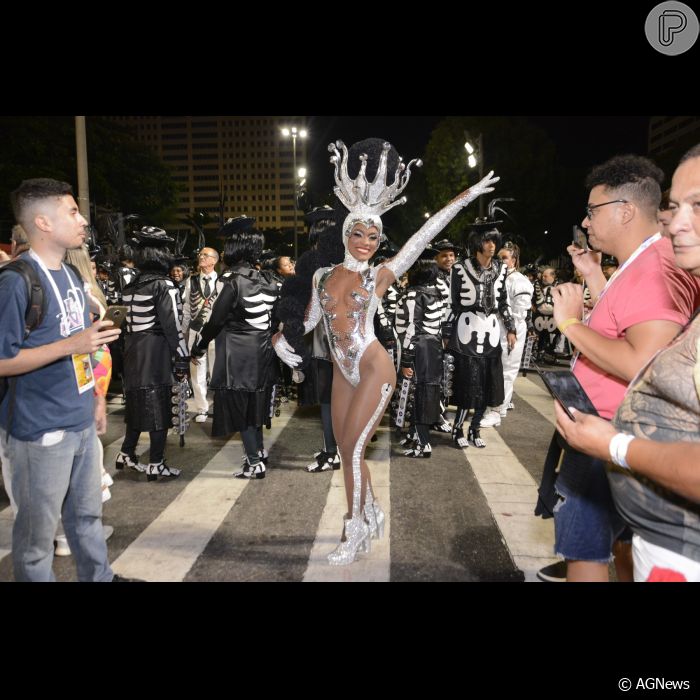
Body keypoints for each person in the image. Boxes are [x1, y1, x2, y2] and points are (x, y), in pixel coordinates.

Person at [273, 137, 498, 564]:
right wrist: (283, 338)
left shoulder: (380, 274)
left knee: (355, 449)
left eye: (373, 235)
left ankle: (354, 530)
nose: (366, 241)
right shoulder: (322, 275)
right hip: (342, 371)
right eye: (358, 232)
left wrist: (466, 197)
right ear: (344, 233)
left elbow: (422, 235)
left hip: (376, 367)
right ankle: (371, 510)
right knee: (344, 447)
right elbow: (308, 319)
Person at [537, 154, 700, 582]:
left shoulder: (657, 266)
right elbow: (633, 322)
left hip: (609, 435)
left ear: (624, 210)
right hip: (613, 435)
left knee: (585, 551)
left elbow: (641, 360)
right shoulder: (648, 261)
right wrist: (594, 279)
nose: (586, 222)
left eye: (593, 211)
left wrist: (570, 324)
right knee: (625, 543)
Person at [0, 178, 122, 581]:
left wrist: (97, 400)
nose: (83, 219)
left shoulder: (70, 274)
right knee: (36, 543)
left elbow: (82, 346)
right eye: (72, 211)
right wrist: (72, 344)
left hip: (80, 420)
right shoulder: (16, 280)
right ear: (43, 222)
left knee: (87, 519)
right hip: (39, 431)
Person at [191, 216, 281, 479]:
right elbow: (275, 318)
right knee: (256, 405)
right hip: (263, 350)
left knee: (242, 408)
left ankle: (254, 462)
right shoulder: (267, 279)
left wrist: (199, 345)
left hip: (238, 353)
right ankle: (259, 452)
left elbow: (215, 320)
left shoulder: (231, 281)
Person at [116, 226, 189, 481]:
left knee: (137, 403)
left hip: (132, 349)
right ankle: (156, 462)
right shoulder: (163, 284)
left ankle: (126, 452)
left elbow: (123, 323)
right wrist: (182, 358)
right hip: (156, 350)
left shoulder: (131, 284)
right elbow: (173, 327)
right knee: (159, 407)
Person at [277, 205, 345, 473]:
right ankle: (337, 448)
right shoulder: (354, 259)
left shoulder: (311, 262)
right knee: (343, 397)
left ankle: (332, 451)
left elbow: (304, 306)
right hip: (353, 340)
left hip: (324, 339)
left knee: (329, 398)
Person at [446, 217, 515, 449]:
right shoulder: (459, 267)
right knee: (468, 384)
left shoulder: (501, 268)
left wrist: (511, 329)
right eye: (487, 240)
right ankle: (458, 430)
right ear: (477, 242)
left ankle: (475, 428)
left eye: (494, 240)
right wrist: (446, 334)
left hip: (492, 332)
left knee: (486, 385)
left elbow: (504, 302)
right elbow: (453, 304)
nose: (491, 245)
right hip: (466, 331)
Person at [481, 241, 534, 427]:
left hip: (511, 332)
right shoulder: (495, 277)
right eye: (498, 258)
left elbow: (520, 312)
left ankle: (496, 410)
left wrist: (511, 330)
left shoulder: (520, 281)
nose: (500, 261)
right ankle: (497, 407)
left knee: (505, 372)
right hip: (495, 330)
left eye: (504, 258)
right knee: (494, 370)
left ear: (514, 260)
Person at [182, 247, 219, 423]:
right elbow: (187, 308)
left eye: (205, 255)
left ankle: (220, 406)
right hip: (196, 331)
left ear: (214, 260)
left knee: (217, 369)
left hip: (216, 332)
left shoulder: (222, 280)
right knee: (197, 371)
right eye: (200, 255)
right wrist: (184, 332)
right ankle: (202, 408)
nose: (201, 257)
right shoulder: (192, 280)